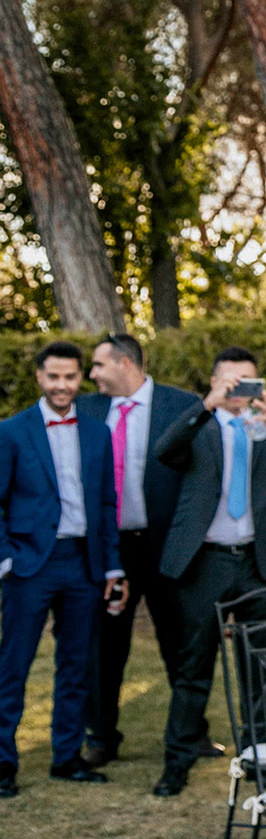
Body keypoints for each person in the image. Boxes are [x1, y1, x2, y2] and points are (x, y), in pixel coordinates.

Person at [151, 346, 266, 797]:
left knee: (258, 668)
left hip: (258, 565)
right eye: (230, 381)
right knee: (193, 666)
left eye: (247, 380)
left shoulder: (265, 431)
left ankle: (259, 760)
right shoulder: (200, 426)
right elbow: (164, 452)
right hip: (205, 562)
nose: (239, 389)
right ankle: (177, 762)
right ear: (214, 383)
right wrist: (205, 406)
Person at [0, 342, 128, 799]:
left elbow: (108, 504)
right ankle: (2, 764)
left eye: (70, 377)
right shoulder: (12, 432)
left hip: (84, 565)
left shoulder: (98, 433)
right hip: (30, 565)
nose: (62, 385)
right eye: (54, 377)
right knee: (12, 667)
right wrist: (7, 559)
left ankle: (66, 757)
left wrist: (112, 566)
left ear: (80, 379)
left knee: (75, 667)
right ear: (40, 377)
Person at [79, 333, 204, 768]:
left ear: (126, 363)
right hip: (112, 550)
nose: (91, 374)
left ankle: (193, 731)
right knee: (106, 645)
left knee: (179, 641)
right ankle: (102, 736)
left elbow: (199, 476)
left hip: (167, 546)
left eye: (98, 365)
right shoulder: (86, 410)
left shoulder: (182, 405)